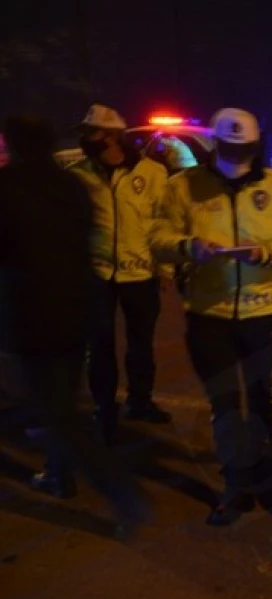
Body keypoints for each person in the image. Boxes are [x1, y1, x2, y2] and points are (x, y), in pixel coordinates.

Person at [151, 107, 272, 526]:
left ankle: (260, 467)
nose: (237, 156)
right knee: (224, 403)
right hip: (208, 315)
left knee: (258, 397)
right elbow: (158, 237)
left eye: (245, 149)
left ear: (255, 147)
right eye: (229, 147)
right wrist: (189, 248)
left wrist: (266, 253)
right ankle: (235, 485)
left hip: (263, 312)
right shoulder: (185, 186)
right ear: (215, 144)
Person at [0, 114, 149, 533]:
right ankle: (59, 475)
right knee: (59, 403)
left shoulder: (8, 187)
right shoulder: (72, 185)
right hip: (76, 313)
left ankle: (122, 493)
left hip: (33, 319)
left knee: (58, 411)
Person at [69, 104, 172, 444]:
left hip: (140, 274)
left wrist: (167, 268)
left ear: (112, 135)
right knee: (99, 345)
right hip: (96, 275)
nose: (85, 139)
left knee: (141, 344)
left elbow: (163, 223)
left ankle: (140, 401)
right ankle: (104, 406)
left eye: (91, 132)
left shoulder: (152, 173)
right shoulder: (80, 174)